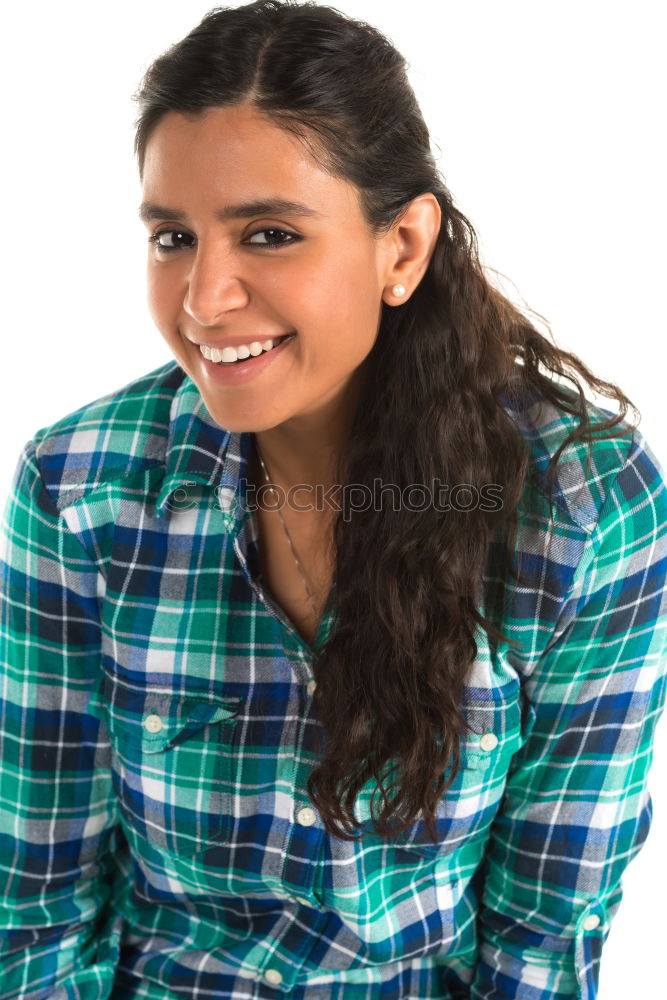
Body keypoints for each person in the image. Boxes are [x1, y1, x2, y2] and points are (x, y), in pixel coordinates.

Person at [1, 1, 666, 997]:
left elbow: (543, 932)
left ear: (401, 248)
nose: (203, 298)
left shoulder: (583, 510)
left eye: (267, 234)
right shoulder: (82, 488)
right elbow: (37, 907)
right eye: (173, 236)